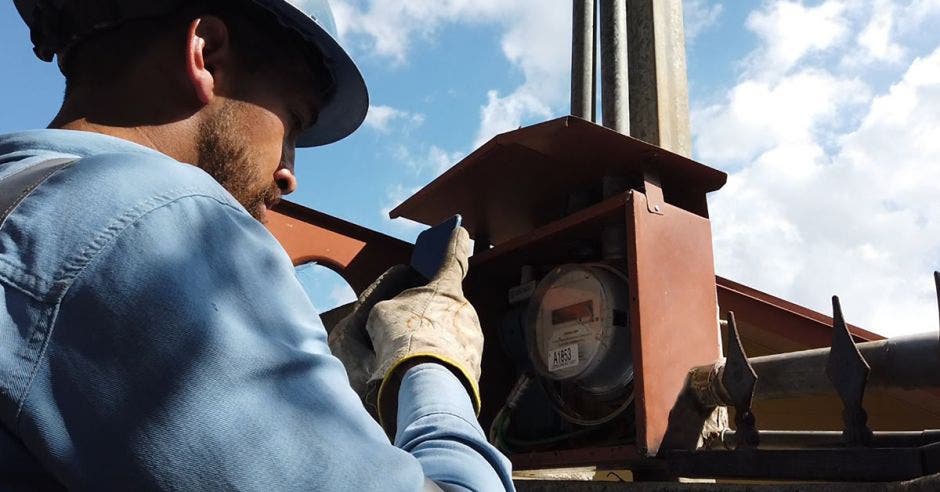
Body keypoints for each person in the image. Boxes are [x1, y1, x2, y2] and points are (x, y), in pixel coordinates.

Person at [0, 0, 514, 490]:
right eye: (292, 121)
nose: (289, 174)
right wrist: (430, 362)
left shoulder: (24, 195)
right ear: (206, 52)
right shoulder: (154, 223)